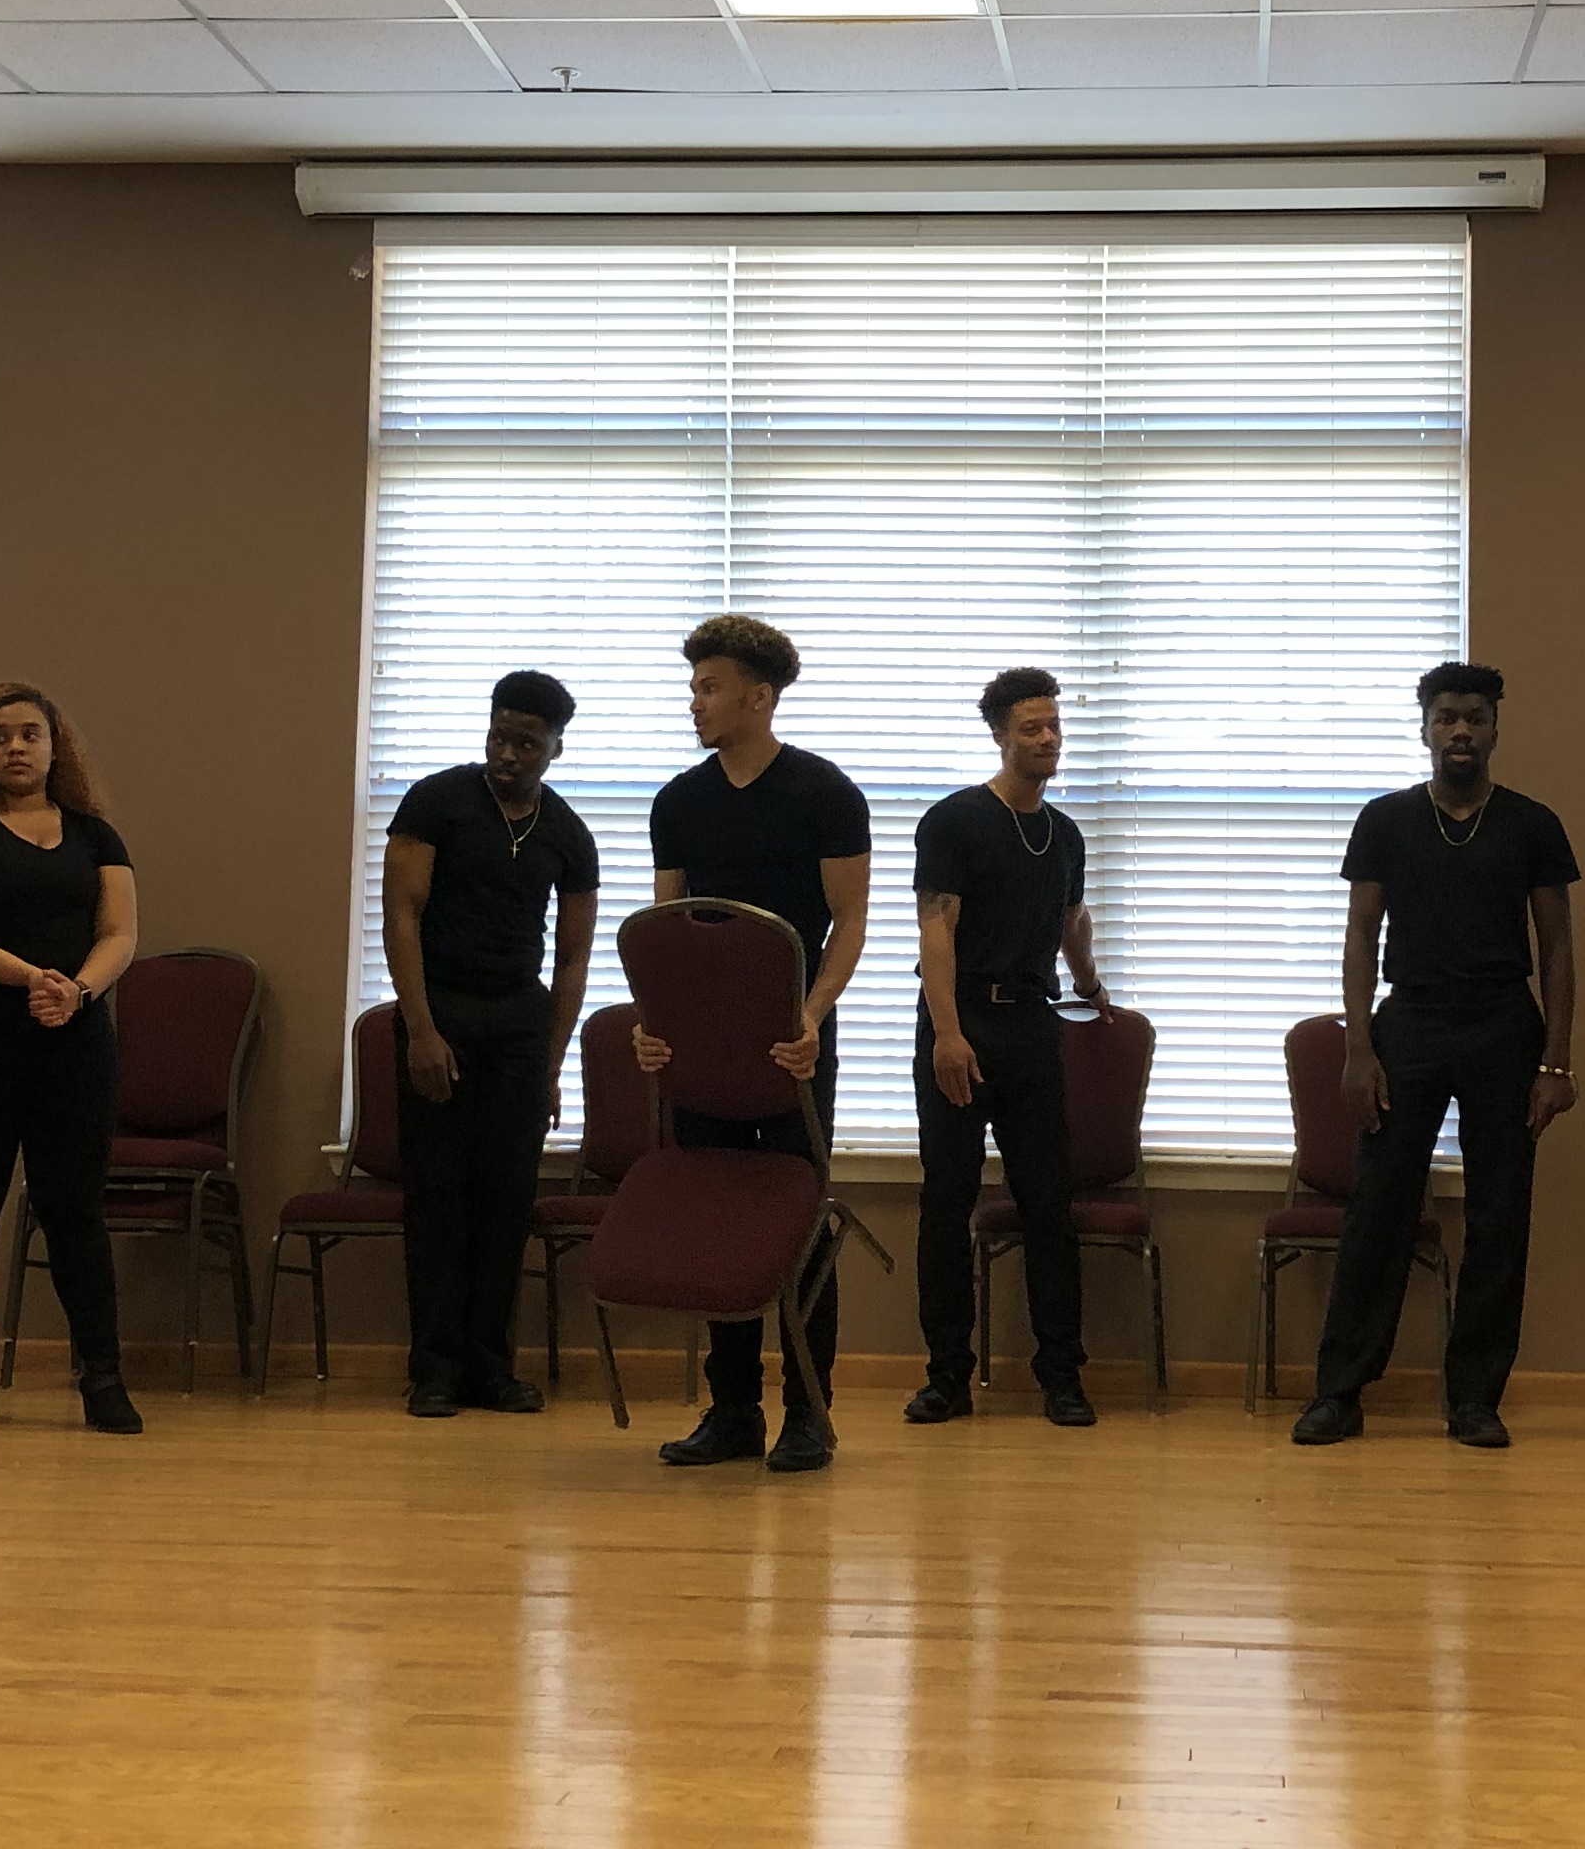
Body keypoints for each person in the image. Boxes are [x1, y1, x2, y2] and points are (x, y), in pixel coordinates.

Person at [1293, 662, 1579, 1450]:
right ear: (1424, 728)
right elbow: (1360, 934)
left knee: (1499, 1218)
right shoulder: (1385, 820)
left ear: (1494, 728)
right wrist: (1359, 1046)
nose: (1461, 731)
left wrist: (1556, 1062)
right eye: (1447, 717)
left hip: (1502, 1028)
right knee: (1378, 1212)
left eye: (1475, 718)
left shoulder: (1532, 823)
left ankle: (1475, 1400)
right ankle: (1340, 1393)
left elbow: (1557, 948)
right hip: (1409, 1023)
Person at [637, 613, 871, 1475]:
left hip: (793, 1038)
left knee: (799, 1220)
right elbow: (667, 929)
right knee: (719, 1221)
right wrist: (654, 1029)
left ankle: (809, 1413)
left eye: (709, 686)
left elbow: (848, 924)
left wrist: (811, 1014)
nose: (694, 701)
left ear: (759, 696)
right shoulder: (679, 801)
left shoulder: (825, 794)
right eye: (694, 686)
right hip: (702, 1042)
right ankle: (732, 1410)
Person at [0, 680, 143, 1437]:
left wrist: (74, 992)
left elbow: (120, 933)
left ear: (54, 745)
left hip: (70, 1044)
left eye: (30, 734)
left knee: (74, 1210)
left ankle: (101, 1379)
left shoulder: (95, 836)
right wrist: (29, 978)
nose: (16, 747)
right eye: (0, 735)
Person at [381, 670, 597, 1419]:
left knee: (507, 1199)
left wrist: (549, 1062)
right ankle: (434, 1369)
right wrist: (420, 1031)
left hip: (518, 1024)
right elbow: (402, 917)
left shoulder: (568, 834)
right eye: (500, 736)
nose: (508, 753)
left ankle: (490, 1368)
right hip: (439, 1011)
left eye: (527, 742)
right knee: (438, 1195)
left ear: (555, 748)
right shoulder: (436, 802)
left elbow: (572, 960)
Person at [909, 666, 1112, 1431]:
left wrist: (1091, 986)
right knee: (947, 1202)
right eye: (1032, 728)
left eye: (1054, 726)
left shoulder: (1064, 834)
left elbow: (1071, 923)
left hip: (1031, 1024)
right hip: (961, 1026)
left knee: (1047, 1204)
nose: (1048, 739)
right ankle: (946, 1378)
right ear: (1000, 735)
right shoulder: (954, 821)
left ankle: (1061, 1375)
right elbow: (937, 929)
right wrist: (951, 1034)